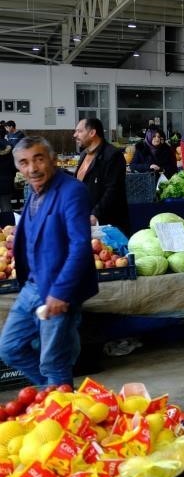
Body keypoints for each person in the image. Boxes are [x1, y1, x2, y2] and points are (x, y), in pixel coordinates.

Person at [0, 137, 97, 385]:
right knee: (10, 348)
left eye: (38, 159)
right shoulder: (33, 190)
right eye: (24, 162)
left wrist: (61, 293)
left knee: (54, 361)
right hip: (32, 286)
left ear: (52, 159)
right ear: (18, 167)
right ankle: (53, 395)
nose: (32, 168)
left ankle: (63, 414)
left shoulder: (72, 191)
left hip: (58, 288)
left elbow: (80, 246)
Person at [73, 118, 129, 233]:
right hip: (84, 219)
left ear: (92, 133)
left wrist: (95, 214)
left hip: (107, 225)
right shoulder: (84, 154)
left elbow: (113, 190)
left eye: (79, 131)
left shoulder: (113, 155)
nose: (75, 135)